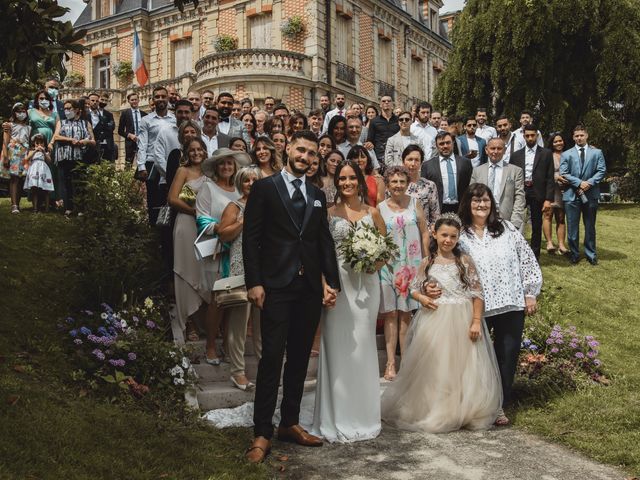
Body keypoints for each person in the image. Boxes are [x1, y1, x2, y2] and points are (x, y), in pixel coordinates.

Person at [243, 130, 341, 463]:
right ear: (288, 150)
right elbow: (251, 238)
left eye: (311, 153)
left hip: (309, 288)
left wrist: (333, 281)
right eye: (301, 150)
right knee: (272, 357)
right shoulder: (264, 188)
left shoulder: (316, 193)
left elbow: (322, 240)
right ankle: (261, 432)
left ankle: (290, 423)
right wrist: (254, 282)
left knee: (300, 358)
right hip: (275, 285)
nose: (306, 157)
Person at [381, 214, 502, 433]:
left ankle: (461, 408)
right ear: (434, 234)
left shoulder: (464, 261)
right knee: (436, 365)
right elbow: (413, 289)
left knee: (462, 365)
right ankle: (436, 407)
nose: (448, 240)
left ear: (458, 238)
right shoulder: (427, 262)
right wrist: (423, 299)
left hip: (462, 317)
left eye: (453, 236)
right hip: (435, 319)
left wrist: (476, 321)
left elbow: (477, 292)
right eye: (444, 235)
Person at [447, 183, 542, 425]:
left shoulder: (507, 229)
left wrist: (530, 293)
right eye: (476, 200)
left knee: (506, 356)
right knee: (474, 358)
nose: (481, 205)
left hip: (510, 302)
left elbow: (527, 259)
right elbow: (446, 263)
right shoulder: (460, 235)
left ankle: (498, 406)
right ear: (468, 203)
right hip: (476, 306)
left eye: (486, 200)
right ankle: (472, 405)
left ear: (492, 204)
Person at [311, 159, 386, 443]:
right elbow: (319, 254)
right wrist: (324, 286)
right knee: (338, 345)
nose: (346, 184)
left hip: (366, 286)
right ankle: (336, 413)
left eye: (351, 178)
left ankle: (364, 413)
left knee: (363, 347)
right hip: (337, 284)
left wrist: (372, 264)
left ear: (360, 180)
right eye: (341, 179)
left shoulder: (373, 212)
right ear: (336, 182)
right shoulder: (328, 214)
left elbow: (385, 252)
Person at [196, 148, 250, 364]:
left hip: (239, 251)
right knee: (217, 300)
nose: (226, 167)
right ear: (216, 168)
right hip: (217, 251)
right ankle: (210, 345)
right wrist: (223, 228)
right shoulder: (207, 188)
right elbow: (201, 219)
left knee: (234, 299)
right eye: (222, 164)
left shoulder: (241, 190)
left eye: (230, 163)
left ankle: (229, 345)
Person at [377, 165, 430, 381]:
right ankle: (390, 363)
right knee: (390, 313)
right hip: (389, 266)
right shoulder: (380, 208)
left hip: (412, 264)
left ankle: (405, 361)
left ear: (407, 184)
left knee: (406, 313)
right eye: (394, 182)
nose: (398, 186)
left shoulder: (415, 204)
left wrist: (426, 259)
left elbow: (425, 231)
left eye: (402, 181)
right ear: (387, 185)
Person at [217, 166, 264, 391]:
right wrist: (245, 221)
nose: (252, 183)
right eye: (247, 180)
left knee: (262, 321)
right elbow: (223, 233)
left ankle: (266, 366)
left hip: (264, 269)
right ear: (240, 183)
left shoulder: (267, 206)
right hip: (240, 267)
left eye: (255, 179)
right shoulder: (234, 206)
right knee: (239, 322)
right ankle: (237, 372)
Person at [168, 137, 210, 342]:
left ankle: (204, 321)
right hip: (186, 223)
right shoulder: (182, 171)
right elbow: (173, 199)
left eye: (199, 149)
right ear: (187, 152)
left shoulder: (210, 173)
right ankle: (190, 323)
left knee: (204, 270)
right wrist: (195, 212)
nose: (196, 153)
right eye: (192, 150)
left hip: (206, 227)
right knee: (187, 270)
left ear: (204, 151)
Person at [559, 125, 607, 265]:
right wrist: (580, 183)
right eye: (576, 136)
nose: (579, 138)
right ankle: (574, 253)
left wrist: (590, 183)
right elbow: (564, 173)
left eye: (581, 135)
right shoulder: (566, 154)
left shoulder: (597, 153)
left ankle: (591, 254)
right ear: (573, 137)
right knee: (572, 228)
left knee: (590, 226)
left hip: (590, 194)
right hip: (571, 195)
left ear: (586, 135)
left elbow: (601, 170)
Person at [510, 124, 555, 259]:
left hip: (537, 192)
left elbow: (550, 177)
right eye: (527, 135)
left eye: (532, 135)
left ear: (537, 135)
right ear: (523, 136)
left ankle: (535, 256)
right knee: (515, 222)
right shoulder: (516, 155)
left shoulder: (546, 153)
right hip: (520, 191)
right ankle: (515, 252)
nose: (530, 138)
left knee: (536, 225)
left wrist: (548, 199)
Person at [137, 86, 176, 224]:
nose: (160, 99)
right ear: (153, 100)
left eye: (163, 96)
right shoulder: (146, 120)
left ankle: (167, 226)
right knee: (153, 198)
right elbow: (142, 143)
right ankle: (154, 228)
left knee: (169, 196)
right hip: (152, 163)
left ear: (167, 98)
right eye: (157, 97)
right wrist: (141, 166)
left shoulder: (174, 119)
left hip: (169, 163)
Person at [52, 99, 96, 215]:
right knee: (67, 183)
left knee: (80, 183)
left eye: (69, 108)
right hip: (65, 156)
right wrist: (70, 140)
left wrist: (84, 141)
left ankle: (81, 208)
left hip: (80, 157)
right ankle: (69, 208)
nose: (66, 111)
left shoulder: (85, 123)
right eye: (65, 109)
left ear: (76, 110)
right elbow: (56, 136)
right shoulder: (61, 122)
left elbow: (93, 141)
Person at [470, 138, 525, 229]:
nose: (495, 151)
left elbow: (519, 198)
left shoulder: (515, 171)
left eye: (499, 148)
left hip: (507, 219)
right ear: (486, 150)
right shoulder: (477, 171)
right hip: (481, 218)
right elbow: (472, 197)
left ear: (504, 150)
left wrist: (515, 222)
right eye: (492, 148)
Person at [421, 132, 473, 214]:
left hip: (460, 209)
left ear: (453, 143)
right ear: (437, 146)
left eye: (448, 143)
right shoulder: (427, 165)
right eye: (441, 144)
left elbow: (470, 186)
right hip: (437, 209)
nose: (445, 146)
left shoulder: (465, 163)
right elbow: (424, 190)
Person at [399, 145, 440, 229]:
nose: (413, 164)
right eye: (410, 159)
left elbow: (435, 217)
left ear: (421, 163)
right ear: (403, 162)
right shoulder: (395, 185)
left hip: (424, 233)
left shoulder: (430, 186)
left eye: (417, 160)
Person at [1, 103, 31, 214]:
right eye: (19, 111)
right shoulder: (9, 125)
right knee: (14, 179)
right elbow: (5, 142)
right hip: (13, 153)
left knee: (20, 179)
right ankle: (14, 205)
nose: (21, 113)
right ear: (14, 113)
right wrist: (5, 157)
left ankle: (17, 204)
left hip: (24, 154)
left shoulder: (28, 127)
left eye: (23, 111)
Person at [543, 132, 570, 254]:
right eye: (556, 141)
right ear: (551, 144)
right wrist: (557, 177)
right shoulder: (548, 155)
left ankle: (561, 245)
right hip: (551, 189)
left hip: (565, 189)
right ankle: (549, 243)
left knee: (561, 217)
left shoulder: (569, 154)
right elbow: (545, 172)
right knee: (548, 215)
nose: (559, 143)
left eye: (560, 141)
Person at [365, 95, 399, 171]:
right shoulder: (374, 121)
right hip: (380, 157)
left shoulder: (399, 120)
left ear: (392, 105)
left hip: (396, 156)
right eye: (383, 101)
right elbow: (370, 139)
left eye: (389, 101)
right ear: (380, 105)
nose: (386, 102)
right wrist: (369, 144)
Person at [23, 134, 54, 212]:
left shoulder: (46, 151)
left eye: (41, 143)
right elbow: (27, 158)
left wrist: (43, 152)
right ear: (34, 143)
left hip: (43, 170)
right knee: (34, 189)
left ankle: (47, 208)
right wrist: (35, 151)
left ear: (44, 143)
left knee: (46, 189)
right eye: (37, 143)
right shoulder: (31, 150)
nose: (39, 145)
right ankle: (35, 208)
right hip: (34, 170)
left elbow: (49, 161)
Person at [118, 92, 147, 164]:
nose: (134, 101)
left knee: (144, 164)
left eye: (135, 99)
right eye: (132, 100)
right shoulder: (125, 113)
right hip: (130, 143)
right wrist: (130, 135)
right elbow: (120, 131)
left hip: (142, 143)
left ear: (138, 100)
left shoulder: (144, 114)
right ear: (129, 101)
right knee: (128, 164)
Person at [88, 93, 117, 162]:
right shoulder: (87, 113)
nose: (103, 102)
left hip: (107, 144)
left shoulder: (109, 114)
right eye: (102, 100)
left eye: (106, 100)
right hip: (93, 144)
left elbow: (111, 127)